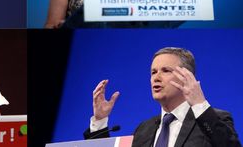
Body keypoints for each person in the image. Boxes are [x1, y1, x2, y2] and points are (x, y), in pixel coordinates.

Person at [83, 47, 241, 147]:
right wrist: (100, 121)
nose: (156, 78)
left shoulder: (213, 119)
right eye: (153, 72)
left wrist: (200, 105)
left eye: (165, 70)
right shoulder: (144, 129)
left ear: (187, 76)